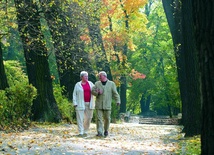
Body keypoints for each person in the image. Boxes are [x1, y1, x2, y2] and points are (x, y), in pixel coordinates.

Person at [92, 71, 120, 137]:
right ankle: (99, 132)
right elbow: (92, 91)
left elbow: (115, 93)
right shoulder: (97, 84)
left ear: (104, 76)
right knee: (99, 119)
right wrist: (97, 92)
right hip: (99, 104)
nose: (99, 77)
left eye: (100, 76)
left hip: (107, 104)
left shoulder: (111, 84)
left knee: (107, 118)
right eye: (99, 76)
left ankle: (106, 130)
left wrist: (118, 101)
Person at [73, 71, 95, 137]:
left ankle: (85, 130)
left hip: (89, 103)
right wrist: (75, 103)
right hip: (80, 103)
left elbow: (95, 91)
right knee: (80, 118)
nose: (87, 77)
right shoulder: (77, 85)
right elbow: (74, 94)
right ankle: (81, 132)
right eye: (85, 76)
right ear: (81, 77)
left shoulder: (91, 84)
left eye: (87, 76)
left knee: (89, 118)